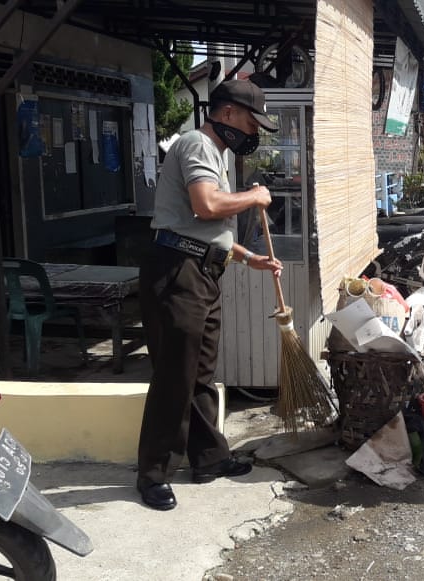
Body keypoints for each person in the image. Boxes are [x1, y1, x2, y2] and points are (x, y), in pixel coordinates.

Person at [136, 78, 283, 511]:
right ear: (227, 114)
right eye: (252, 123)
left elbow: (202, 228)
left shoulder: (215, 152)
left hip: (200, 270)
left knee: (199, 372)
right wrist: (254, 195)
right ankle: (152, 475)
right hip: (177, 274)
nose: (254, 133)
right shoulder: (197, 143)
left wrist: (245, 257)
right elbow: (206, 206)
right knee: (173, 377)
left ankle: (209, 458)